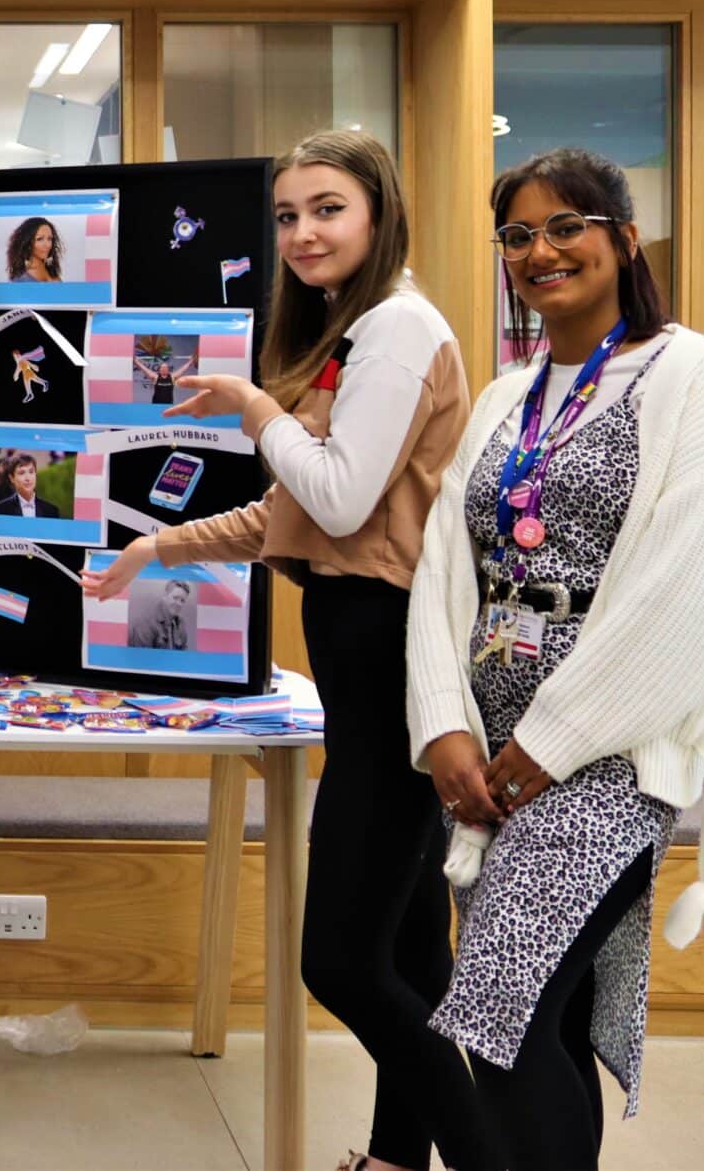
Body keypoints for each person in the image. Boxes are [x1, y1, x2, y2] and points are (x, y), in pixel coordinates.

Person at [82, 129, 496, 1171]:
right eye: (285, 215)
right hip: (359, 647)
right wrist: (160, 545)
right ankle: (399, 1157)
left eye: (326, 208)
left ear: (375, 213)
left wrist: (254, 407)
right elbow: (295, 514)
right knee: (405, 949)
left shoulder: (397, 330)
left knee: (342, 964)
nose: (302, 232)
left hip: (390, 652)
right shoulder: (352, 336)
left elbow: (337, 493)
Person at [407, 147, 704, 1171]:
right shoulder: (507, 395)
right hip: (485, 752)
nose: (539, 250)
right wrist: (443, 725)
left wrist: (547, 742)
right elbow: (444, 567)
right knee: (548, 1018)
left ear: (621, 237)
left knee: (498, 1011)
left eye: (564, 226)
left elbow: (683, 587)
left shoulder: (691, 375)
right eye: (516, 234)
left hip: (607, 758)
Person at [0, 453, 60, 519]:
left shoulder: (51, 511)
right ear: (12, 478)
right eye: (21, 473)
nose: (28, 478)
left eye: (31, 472)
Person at [128, 579, 193, 650]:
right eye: (175, 598)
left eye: (182, 600)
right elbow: (141, 658)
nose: (178, 604)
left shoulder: (181, 624)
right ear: (164, 596)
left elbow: (184, 656)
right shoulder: (145, 623)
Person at [6, 215, 62, 282]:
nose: (47, 244)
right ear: (28, 243)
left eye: (49, 239)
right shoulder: (21, 280)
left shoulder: (51, 270)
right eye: (39, 239)